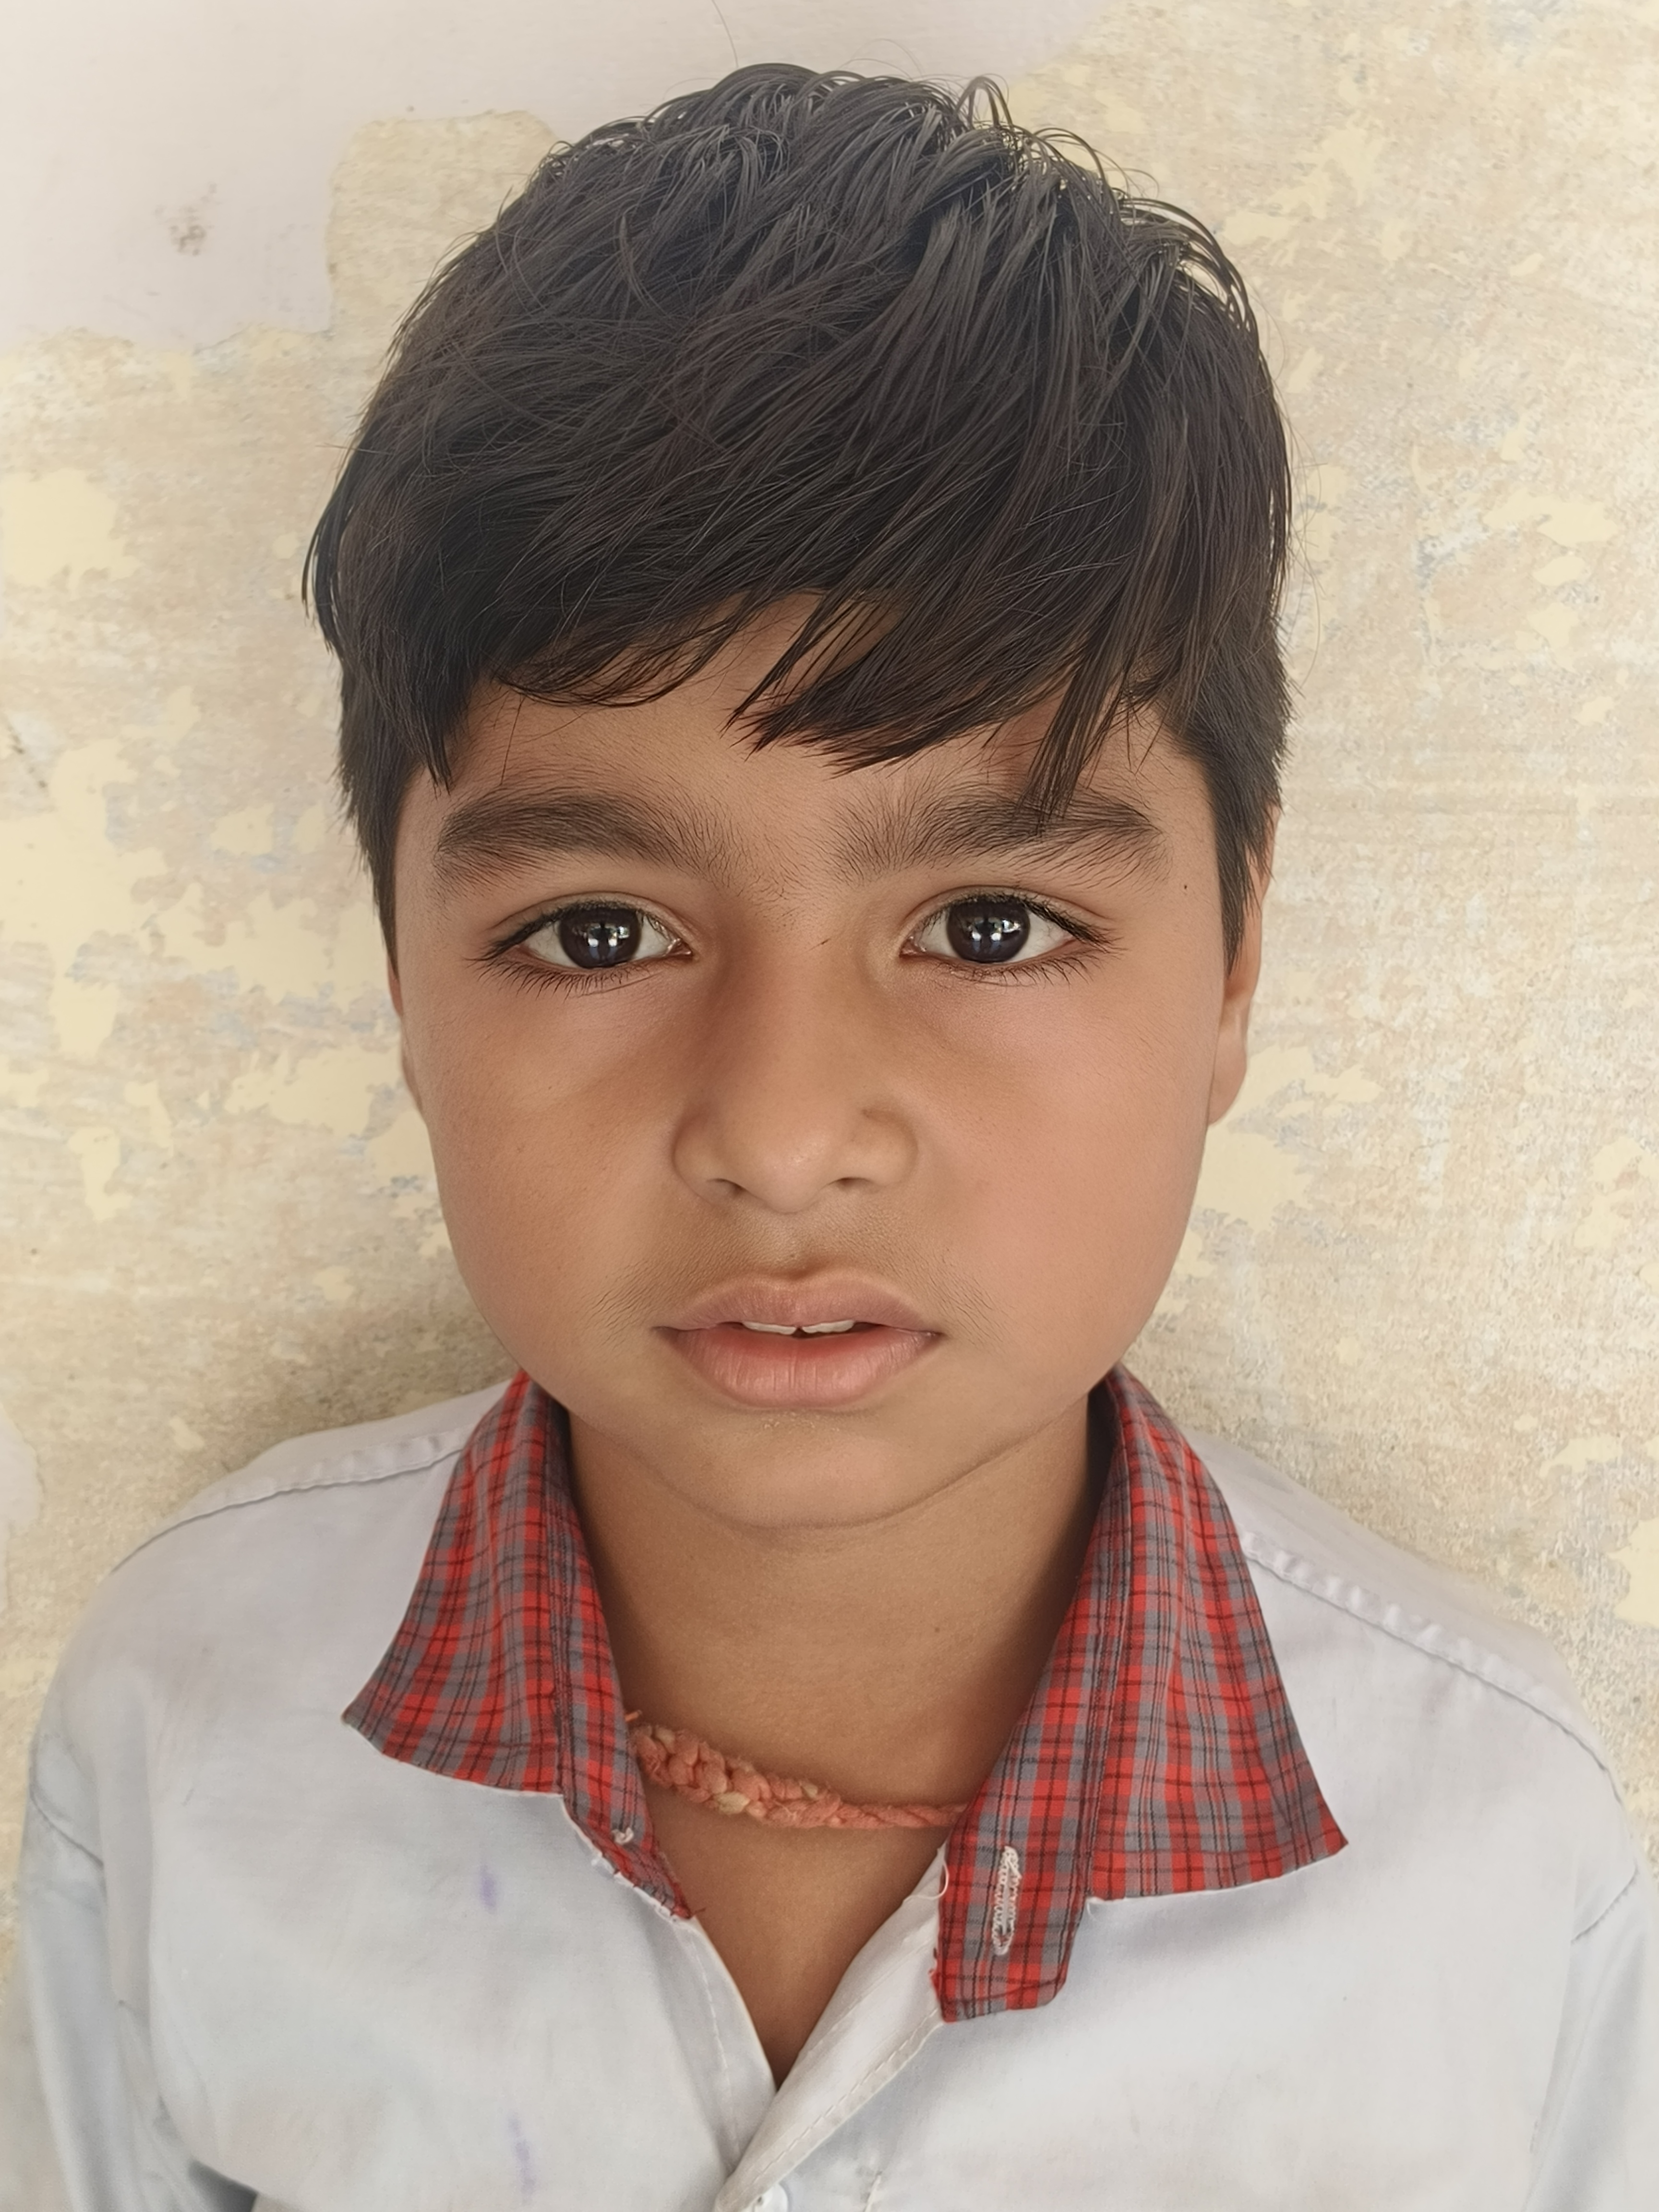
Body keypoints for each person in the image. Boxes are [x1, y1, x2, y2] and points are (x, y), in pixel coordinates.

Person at [2, 63, 1654, 2211]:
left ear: (1235, 962)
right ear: (403, 971)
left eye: (991, 926)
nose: (783, 1142)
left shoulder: (1501, 1872)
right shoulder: (185, 1733)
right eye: (599, 932)